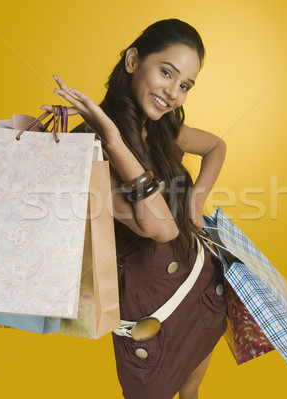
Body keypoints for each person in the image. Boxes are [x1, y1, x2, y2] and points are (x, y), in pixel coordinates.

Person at [42, 19, 227, 399]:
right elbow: (160, 229)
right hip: (150, 321)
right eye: (166, 73)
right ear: (132, 61)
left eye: (185, 86)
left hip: (198, 288)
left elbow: (216, 147)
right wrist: (111, 138)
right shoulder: (88, 150)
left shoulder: (161, 129)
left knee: (192, 392)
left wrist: (195, 203)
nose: (173, 92)